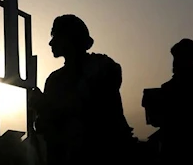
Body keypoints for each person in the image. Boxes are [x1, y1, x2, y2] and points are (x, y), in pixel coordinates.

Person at [28, 14, 133, 165]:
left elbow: (86, 107)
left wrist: (45, 105)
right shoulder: (55, 79)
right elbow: (48, 128)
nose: (51, 43)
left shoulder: (103, 67)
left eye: (56, 35)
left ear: (71, 38)